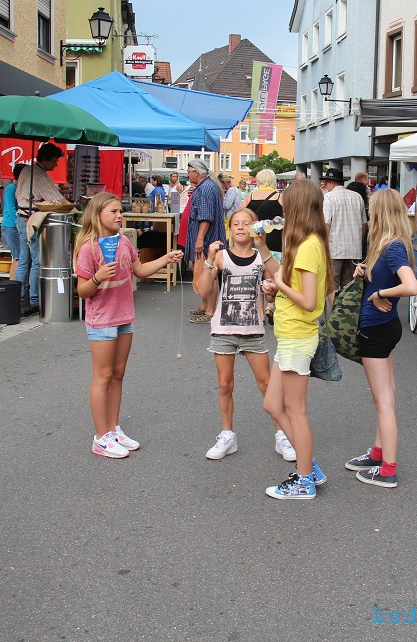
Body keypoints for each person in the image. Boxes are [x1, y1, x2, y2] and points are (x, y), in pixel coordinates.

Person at [74, 193, 184, 459]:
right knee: (102, 376)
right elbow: (82, 291)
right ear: (97, 214)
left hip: (124, 317)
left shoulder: (123, 242)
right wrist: (98, 278)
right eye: (113, 212)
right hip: (101, 320)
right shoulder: (89, 248)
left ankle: (113, 429)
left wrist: (166, 259)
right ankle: (100, 437)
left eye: (119, 211)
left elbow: (141, 270)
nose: (119, 215)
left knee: (118, 374)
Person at [199, 208, 295, 461]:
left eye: (246, 223)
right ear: (230, 230)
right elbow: (203, 289)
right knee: (224, 384)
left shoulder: (260, 258)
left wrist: (263, 249)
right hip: (224, 329)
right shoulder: (221, 257)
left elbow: (278, 276)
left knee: (267, 385)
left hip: (253, 330)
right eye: (236, 224)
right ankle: (227, 435)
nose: (241, 227)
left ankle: (282, 435)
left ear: (254, 228)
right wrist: (209, 260)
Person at [261, 179, 333, 500]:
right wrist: (264, 250)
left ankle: (304, 478)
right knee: (273, 404)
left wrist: (278, 285)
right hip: (290, 335)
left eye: (286, 206)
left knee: (295, 409)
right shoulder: (309, 242)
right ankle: (308, 467)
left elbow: (306, 301)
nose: (282, 211)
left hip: (296, 335)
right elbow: (292, 283)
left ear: (297, 208)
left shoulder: (308, 246)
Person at [346, 189, 417, 489]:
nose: (368, 215)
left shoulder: (391, 247)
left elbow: (412, 286)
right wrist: (365, 274)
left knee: (384, 401)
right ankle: (378, 454)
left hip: (376, 330)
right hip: (384, 327)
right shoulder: (390, 245)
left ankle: (388, 468)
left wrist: (380, 293)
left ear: (380, 212)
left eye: (371, 209)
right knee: (385, 397)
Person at [15, 142, 67, 307]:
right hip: (31, 221)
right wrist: (76, 210)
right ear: (45, 159)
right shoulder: (41, 176)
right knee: (37, 260)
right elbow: (60, 200)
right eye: (54, 161)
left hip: (20, 219)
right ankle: (35, 299)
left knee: (24, 260)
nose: (56, 164)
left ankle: (19, 297)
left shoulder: (25, 169)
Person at [185, 160, 227, 323]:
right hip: (207, 238)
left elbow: (205, 216)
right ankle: (204, 306)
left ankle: (210, 311)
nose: (188, 175)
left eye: (189, 172)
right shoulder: (205, 187)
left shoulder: (206, 188)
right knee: (206, 273)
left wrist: (199, 239)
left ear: (196, 172)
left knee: (210, 273)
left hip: (207, 239)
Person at [321, 167, 367, 290]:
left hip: (334, 249)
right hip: (354, 249)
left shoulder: (328, 198)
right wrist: (359, 242)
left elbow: (326, 225)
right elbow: (364, 224)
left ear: (331, 183)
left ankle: (334, 309)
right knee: (350, 286)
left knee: (332, 285)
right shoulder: (357, 197)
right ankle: (347, 309)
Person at [243, 169, 284, 258]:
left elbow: (241, 214)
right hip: (274, 240)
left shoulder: (250, 196)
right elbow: (287, 219)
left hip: (254, 237)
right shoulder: (279, 197)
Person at [1, 165, 26, 281]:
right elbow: (11, 209)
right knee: (18, 258)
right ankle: (13, 285)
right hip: (11, 227)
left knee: (18, 258)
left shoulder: (18, 188)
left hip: (13, 227)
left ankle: (13, 284)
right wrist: (19, 223)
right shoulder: (11, 188)